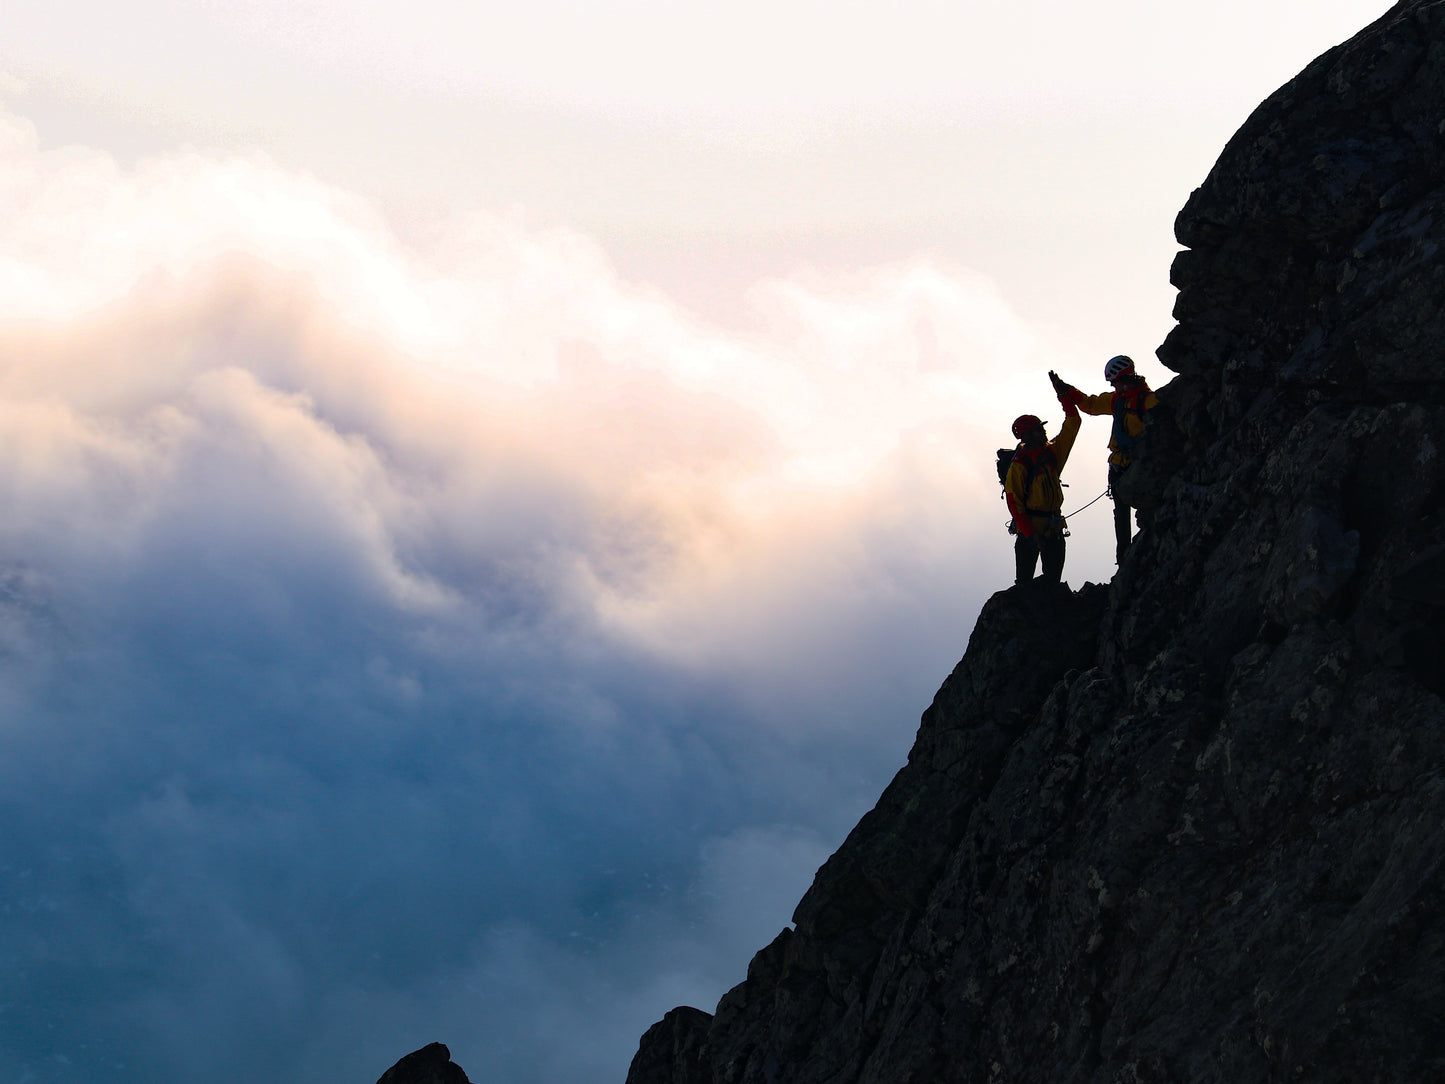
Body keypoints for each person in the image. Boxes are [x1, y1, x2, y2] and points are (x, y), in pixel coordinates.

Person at [1050, 355, 1157, 563]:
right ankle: (1124, 558)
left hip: (1138, 466)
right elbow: (1091, 405)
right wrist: (1067, 390)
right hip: (1119, 467)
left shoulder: (1147, 400)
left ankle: (1139, 553)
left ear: (1124, 378)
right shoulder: (1119, 400)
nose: (1112, 386)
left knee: (1138, 511)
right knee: (1121, 514)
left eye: (1114, 382)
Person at [1004, 395, 1080, 585]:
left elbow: (1073, 424)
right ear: (1027, 436)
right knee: (1025, 584)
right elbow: (1014, 503)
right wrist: (1030, 534)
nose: (1044, 431)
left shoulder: (1051, 452)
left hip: (1053, 527)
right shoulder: (1020, 465)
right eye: (1039, 429)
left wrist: (1065, 396)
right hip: (1034, 529)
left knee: (1051, 582)